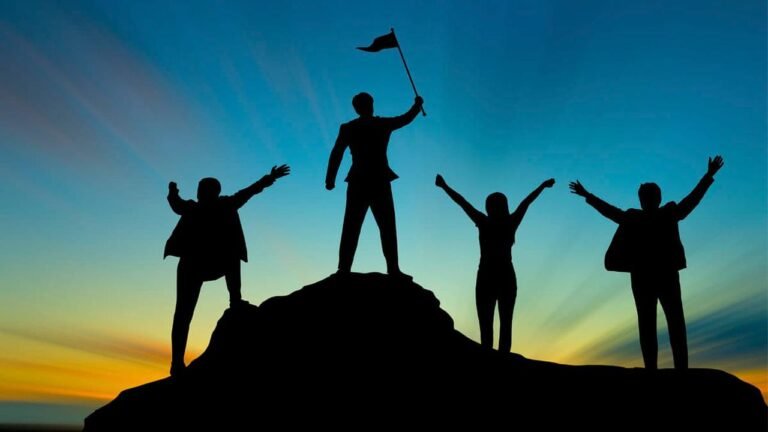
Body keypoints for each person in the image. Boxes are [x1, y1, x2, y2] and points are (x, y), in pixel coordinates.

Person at [569, 156, 724, 369]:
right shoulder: (646, 216)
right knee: (656, 323)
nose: (647, 200)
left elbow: (691, 201)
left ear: (655, 198)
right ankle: (660, 369)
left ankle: (674, 369)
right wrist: (588, 195)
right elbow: (611, 212)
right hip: (651, 276)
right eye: (645, 196)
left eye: (648, 196)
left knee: (664, 322)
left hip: (656, 275)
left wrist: (708, 176)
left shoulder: (662, 214)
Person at [164, 164, 290, 376]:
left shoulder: (223, 204)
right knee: (183, 312)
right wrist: (173, 192)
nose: (200, 193)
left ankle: (235, 299)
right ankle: (177, 362)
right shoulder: (199, 207)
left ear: (213, 192)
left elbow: (250, 191)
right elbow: (176, 204)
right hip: (193, 265)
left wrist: (269, 178)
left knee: (232, 257)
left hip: (210, 262)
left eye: (203, 189)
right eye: (200, 189)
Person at [436, 174, 555, 352]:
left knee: (491, 327)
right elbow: (526, 202)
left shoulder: (485, 221)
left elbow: (463, 202)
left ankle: (494, 363)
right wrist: (542, 186)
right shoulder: (506, 221)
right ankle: (498, 363)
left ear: (489, 207)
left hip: (489, 276)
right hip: (500, 276)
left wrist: (444, 186)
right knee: (502, 326)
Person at [325, 92, 424, 279]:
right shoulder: (379, 124)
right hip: (376, 180)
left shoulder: (350, 127)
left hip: (362, 180)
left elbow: (336, 153)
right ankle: (389, 269)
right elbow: (405, 119)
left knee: (358, 225)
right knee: (382, 226)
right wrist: (417, 106)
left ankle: (347, 268)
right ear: (369, 105)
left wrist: (330, 179)